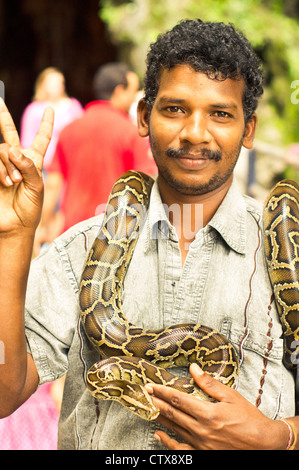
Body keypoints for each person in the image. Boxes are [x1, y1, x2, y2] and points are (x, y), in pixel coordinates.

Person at [0, 19, 298, 451]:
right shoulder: (79, 250)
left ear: (248, 129)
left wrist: (280, 436)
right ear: (144, 116)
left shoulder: (288, 250)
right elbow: (5, 394)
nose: (195, 132)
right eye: (175, 108)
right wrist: (11, 242)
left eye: (220, 114)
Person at [38, 63, 156, 246]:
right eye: (132, 92)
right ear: (119, 91)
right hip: (114, 238)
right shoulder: (131, 133)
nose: (134, 98)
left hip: (72, 234)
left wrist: (44, 227)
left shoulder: (69, 130)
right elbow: (146, 183)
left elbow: (53, 184)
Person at [20, 67, 83, 172]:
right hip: (44, 166)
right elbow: (26, 141)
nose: (57, 86)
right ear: (42, 85)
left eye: (60, 82)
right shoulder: (33, 109)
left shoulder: (73, 105)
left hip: (69, 164)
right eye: (53, 83)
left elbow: (83, 133)